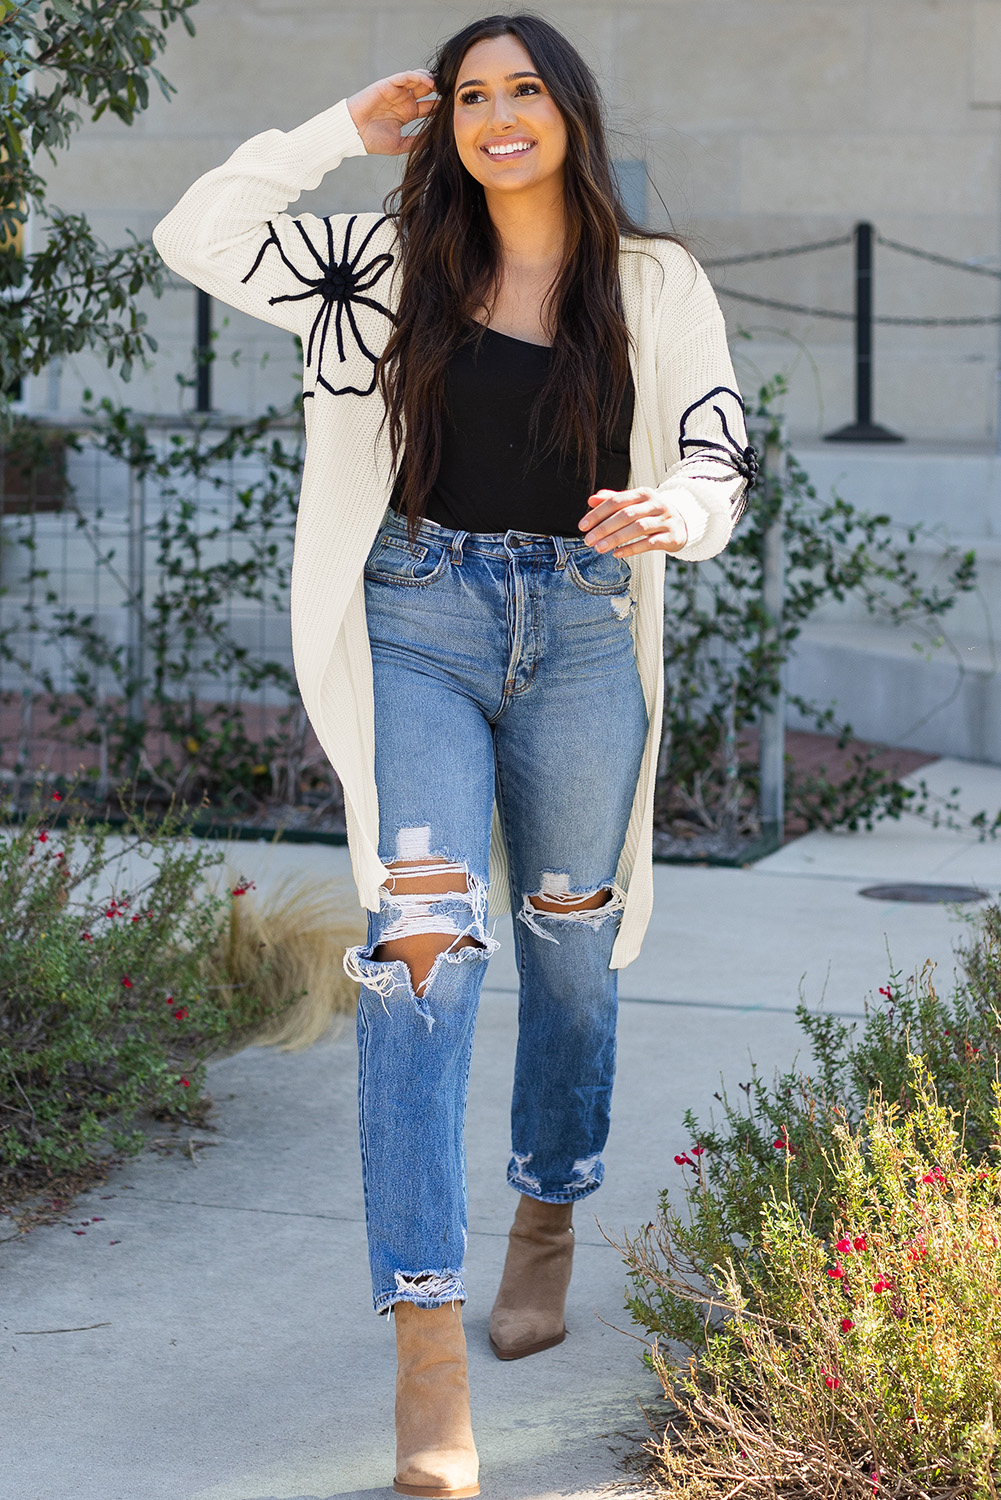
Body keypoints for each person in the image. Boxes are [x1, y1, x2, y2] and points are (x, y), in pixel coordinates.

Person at [154, 12, 754, 1496]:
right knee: (423, 942)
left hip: (580, 625)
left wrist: (678, 515)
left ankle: (544, 1211)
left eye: (523, 91)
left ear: (569, 113)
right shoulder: (380, 264)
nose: (496, 116)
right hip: (415, 616)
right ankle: (425, 1342)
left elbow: (715, 445)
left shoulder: (650, 280)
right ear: (447, 121)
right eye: (472, 94)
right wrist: (325, 135)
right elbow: (193, 233)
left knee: (567, 941)